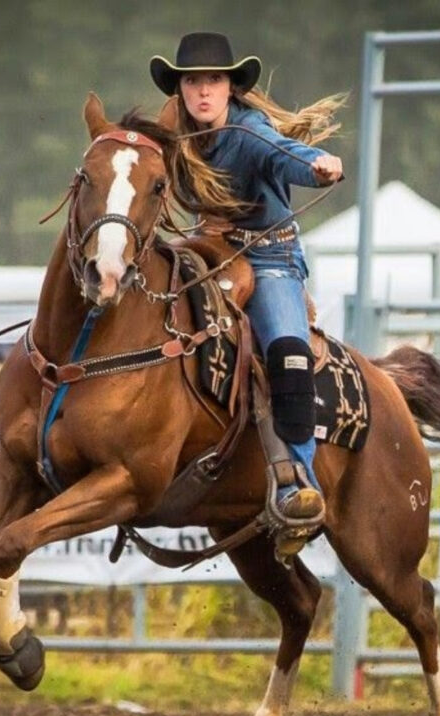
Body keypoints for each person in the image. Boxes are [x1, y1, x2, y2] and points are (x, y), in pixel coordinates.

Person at [150, 32, 345, 524]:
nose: (203, 91)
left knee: (286, 350)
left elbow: (283, 153)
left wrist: (317, 167)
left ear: (230, 87)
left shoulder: (249, 131)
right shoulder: (174, 131)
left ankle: (299, 482)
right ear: (181, 90)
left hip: (268, 258)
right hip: (205, 252)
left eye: (213, 80)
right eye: (193, 81)